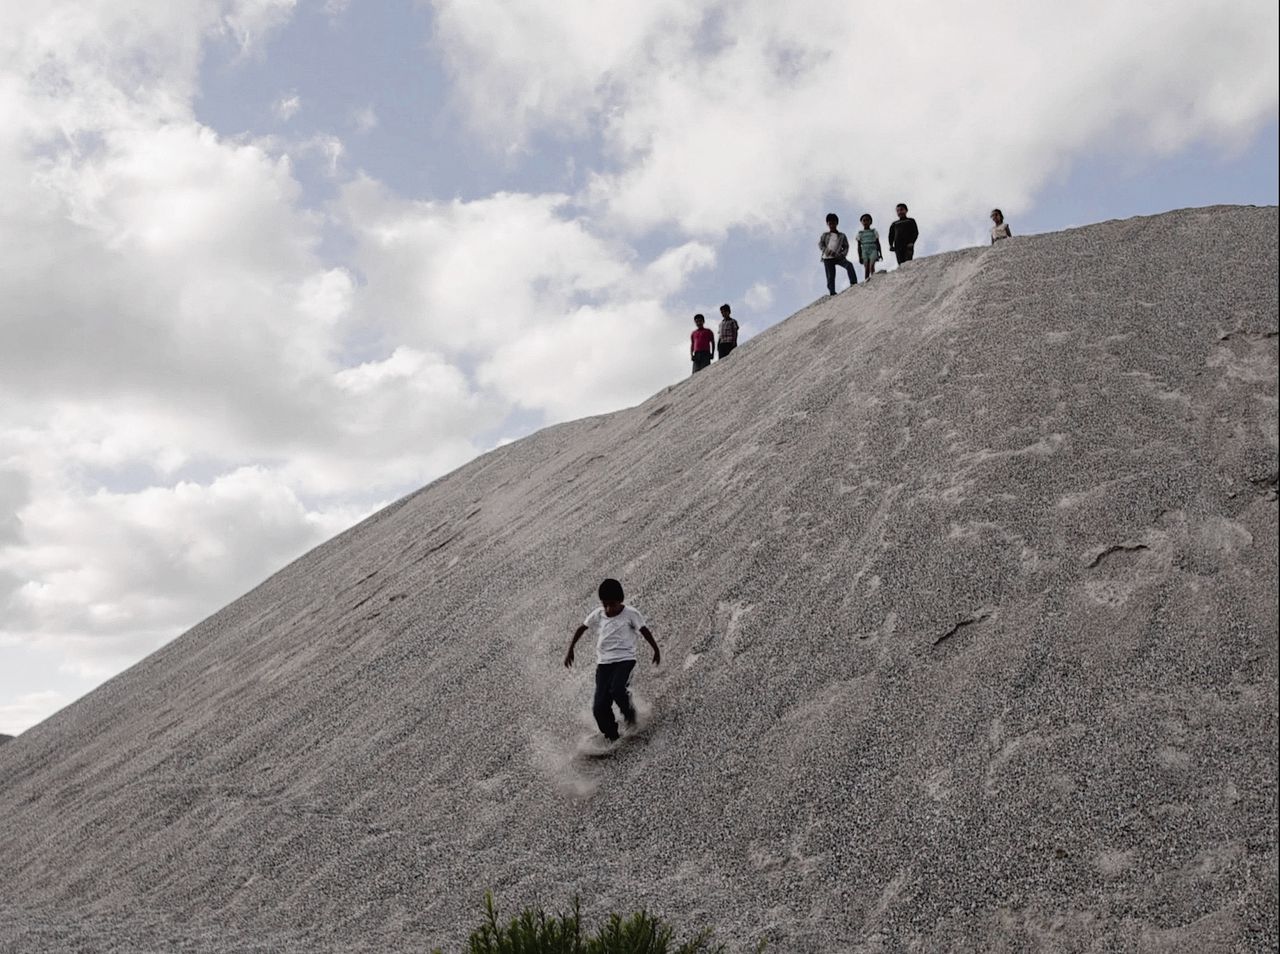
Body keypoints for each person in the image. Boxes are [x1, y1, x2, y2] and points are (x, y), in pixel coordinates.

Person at [564, 578, 661, 743]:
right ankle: (612, 735)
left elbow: (644, 631)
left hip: (625, 660)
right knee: (599, 706)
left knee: (617, 689)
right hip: (603, 665)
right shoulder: (598, 614)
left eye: (613, 604)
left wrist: (656, 650)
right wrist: (570, 649)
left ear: (621, 600)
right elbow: (582, 628)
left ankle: (629, 715)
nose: (609, 608)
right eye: (605, 604)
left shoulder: (631, 613)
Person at [820, 212, 858, 295]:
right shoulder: (825, 235)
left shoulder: (842, 235)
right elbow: (821, 244)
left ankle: (854, 283)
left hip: (838, 256)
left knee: (849, 265)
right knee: (830, 276)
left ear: (837, 223)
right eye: (830, 223)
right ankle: (832, 292)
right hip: (827, 258)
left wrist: (842, 254)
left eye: (833, 223)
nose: (832, 225)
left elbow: (846, 246)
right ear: (827, 224)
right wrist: (826, 250)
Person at [855, 213, 883, 280]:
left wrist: (880, 254)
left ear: (870, 222)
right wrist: (859, 256)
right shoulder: (860, 233)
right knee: (866, 267)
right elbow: (859, 246)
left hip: (873, 249)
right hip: (864, 250)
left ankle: (874, 279)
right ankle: (866, 281)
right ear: (861, 222)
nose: (865, 222)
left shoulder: (874, 231)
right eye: (864, 220)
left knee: (871, 266)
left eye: (867, 220)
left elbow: (878, 243)